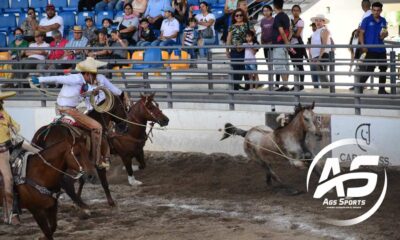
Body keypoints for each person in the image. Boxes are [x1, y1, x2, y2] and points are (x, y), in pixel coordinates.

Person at [31, 57, 125, 169]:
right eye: (93, 75)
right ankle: (97, 160)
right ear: (87, 74)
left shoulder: (84, 83)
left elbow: (87, 90)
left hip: (61, 110)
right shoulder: (76, 79)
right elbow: (58, 78)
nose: (95, 77)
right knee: (98, 127)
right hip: (70, 110)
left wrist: (91, 91)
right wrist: (40, 79)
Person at [0, 91, 40, 225]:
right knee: (8, 179)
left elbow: (16, 125)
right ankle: (10, 214)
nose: (2, 103)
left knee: (37, 151)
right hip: (2, 152)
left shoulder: (3, 114)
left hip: (9, 144)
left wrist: (14, 128)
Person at [359, 1, 388, 94]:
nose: (376, 12)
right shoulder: (366, 20)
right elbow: (361, 33)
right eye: (374, 10)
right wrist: (363, 45)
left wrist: (384, 35)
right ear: (371, 10)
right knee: (370, 69)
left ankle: (381, 89)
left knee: (383, 68)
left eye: (378, 10)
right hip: (370, 49)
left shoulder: (383, 20)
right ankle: (359, 86)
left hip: (381, 49)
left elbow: (385, 32)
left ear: (381, 10)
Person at [226, 8, 253, 90]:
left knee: (242, 68)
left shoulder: (247, 24)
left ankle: (240, 85)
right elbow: (228, 39)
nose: (239, 17)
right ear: (234, 17)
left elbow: (252, 33)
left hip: (245, 50)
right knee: (235, 68)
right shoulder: (232, 26)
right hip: (234, 50)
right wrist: (227, 50)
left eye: (240, 15)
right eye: (237, 15)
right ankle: (235, 85)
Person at [271, 0, 291, 91]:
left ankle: (285, 85)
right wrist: (287, 42)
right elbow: (290, 30)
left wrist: (286, 43)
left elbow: (282, 32)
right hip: (283, 44)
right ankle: (285, 85)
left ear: (274, 6)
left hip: (279, 45)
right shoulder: (286, 16)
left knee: (280, 64)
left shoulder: (277, 17)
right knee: (285, 64)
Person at [309, 14, 332, 89]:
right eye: (316, 20)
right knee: (314, 76)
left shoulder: (324, 30)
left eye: (320, 20)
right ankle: (317, 90)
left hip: (322, 56)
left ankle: (327, 91)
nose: (318, 22)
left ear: (323, 22)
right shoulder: (315, 32)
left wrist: (319, 58)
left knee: (322, 75)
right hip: (314, 57)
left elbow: (324, 45)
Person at [260, 5, 279, 87]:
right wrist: (262, 41)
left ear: (271, 11)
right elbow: (262, 32)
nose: (266, 12)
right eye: (264, 11)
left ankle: (277, 83)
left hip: (273, 45)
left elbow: (278, 32)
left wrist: (273, 42)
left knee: (276, 64)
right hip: (265, 45)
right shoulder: (262, 21)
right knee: (269, 64)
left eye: (267, 10)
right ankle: (271, 81)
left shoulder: (274, 20)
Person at [289, 5, 307, 91]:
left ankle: (301, 84)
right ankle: (296, 83)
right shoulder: (290, 21)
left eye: (297, 10)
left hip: (298, 46)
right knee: (294, 65)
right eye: (294, 10)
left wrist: (291, 32)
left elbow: (297, 35)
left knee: (300, 65)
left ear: (300, 11)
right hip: (291, 46)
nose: (295, 12)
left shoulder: (300, 22)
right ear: (292, 11)